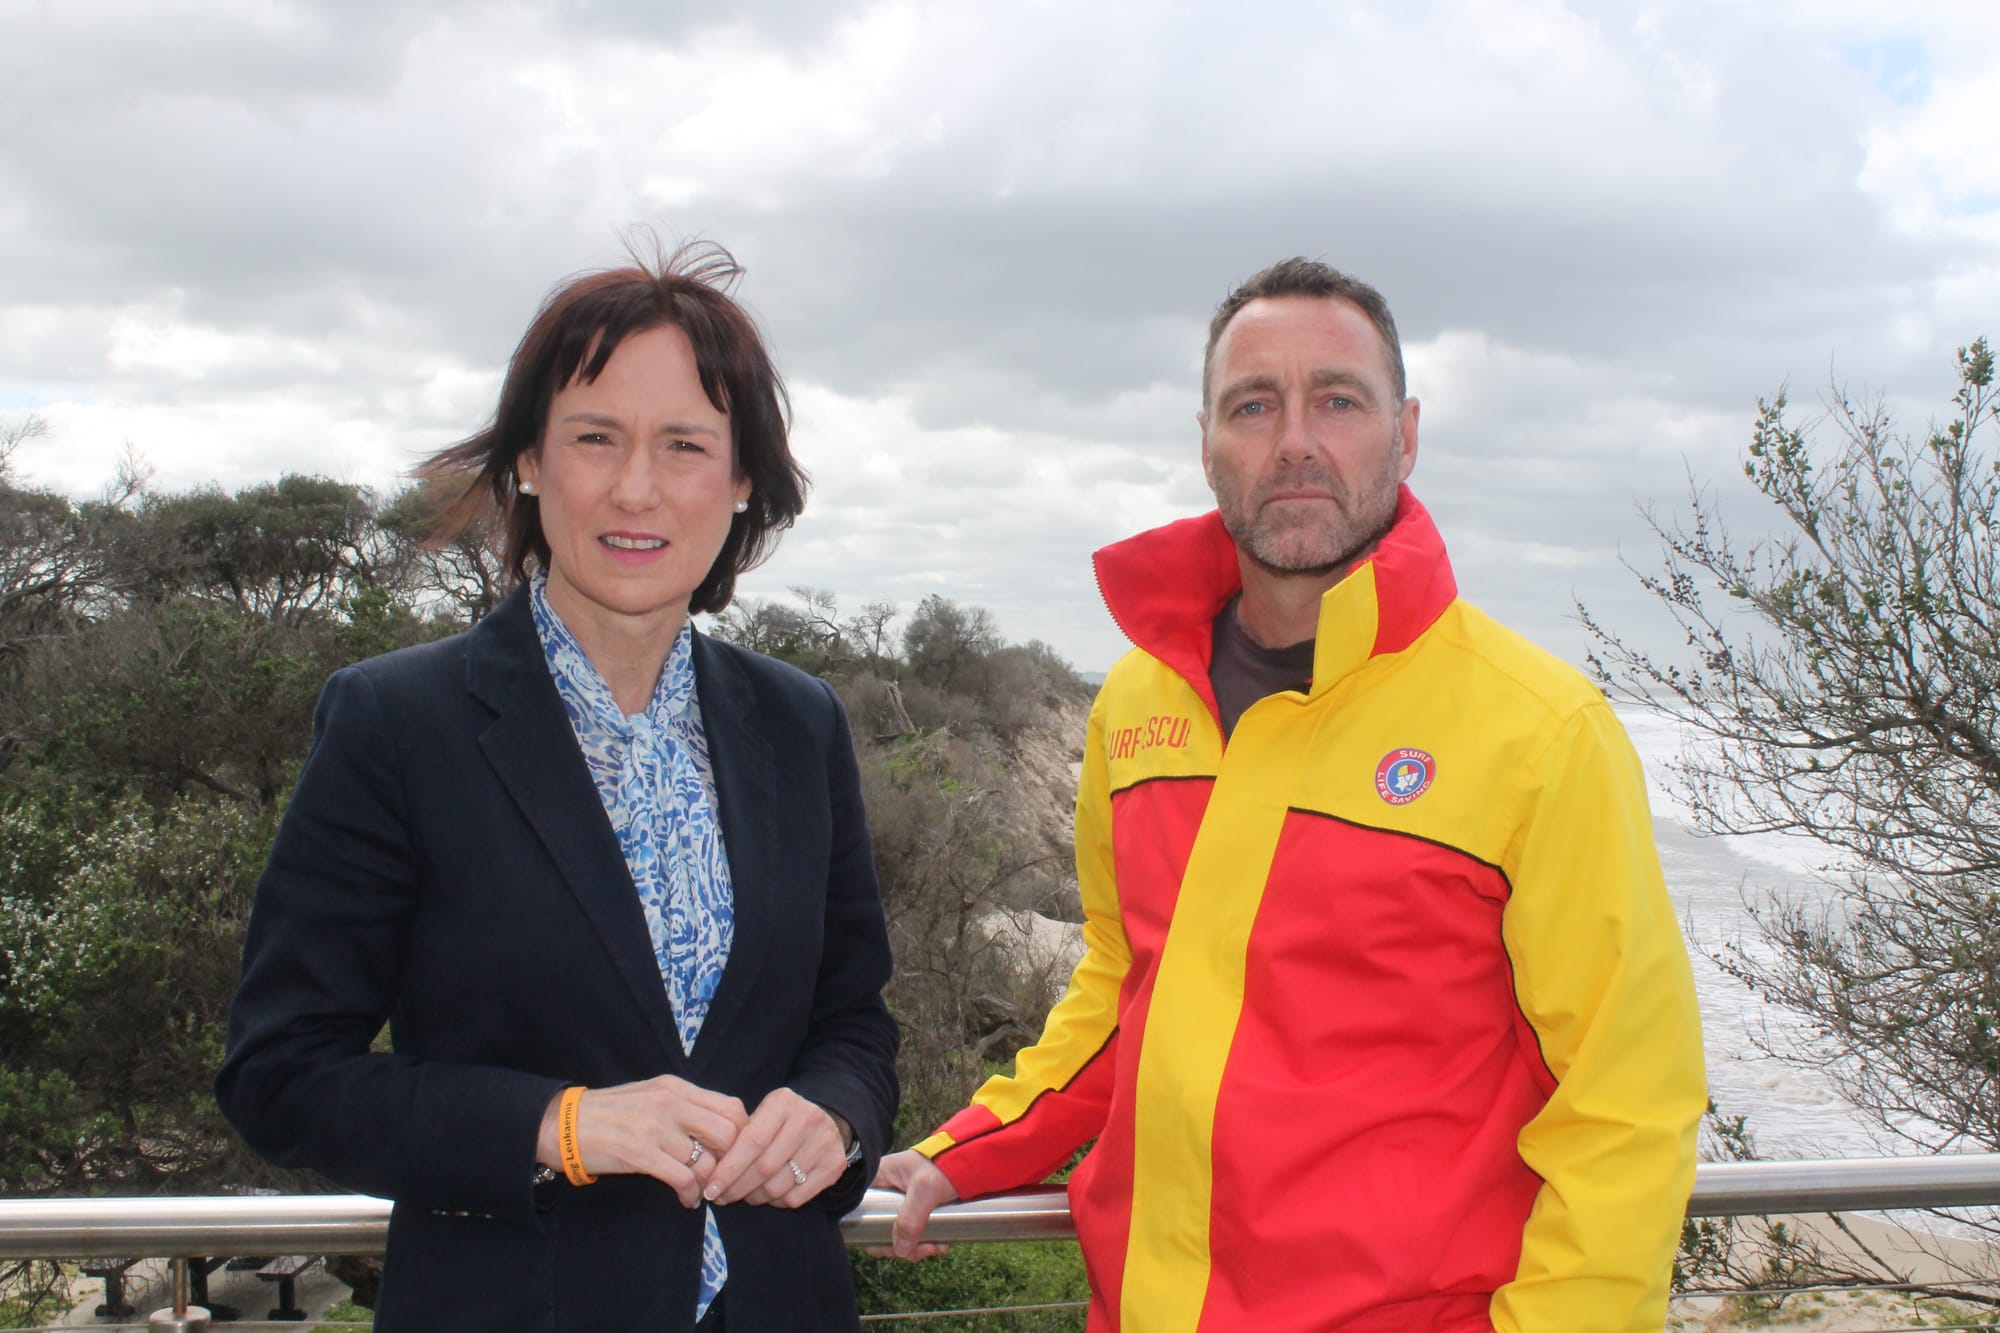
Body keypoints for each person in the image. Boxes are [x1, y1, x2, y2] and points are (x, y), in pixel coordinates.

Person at [875, 258, 1706, 1332]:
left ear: (1403, 435)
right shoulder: (1137, 699)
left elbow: (1624, 1103)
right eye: (1254, 405)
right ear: (1207, 440)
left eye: (1338, 400)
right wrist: (972, 1148)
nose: (1295, 440)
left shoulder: (1539, 731)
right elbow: (1123, 986)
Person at [216, 241, 898, 1331]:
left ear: (739, 483)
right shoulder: (398, 723)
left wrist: (835, 1117)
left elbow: (852, 1022)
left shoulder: (796, 720)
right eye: (595, 438)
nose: (636, 487)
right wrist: (559, 1125)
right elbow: (281, 1075)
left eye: (684, 445)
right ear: (531, 462)